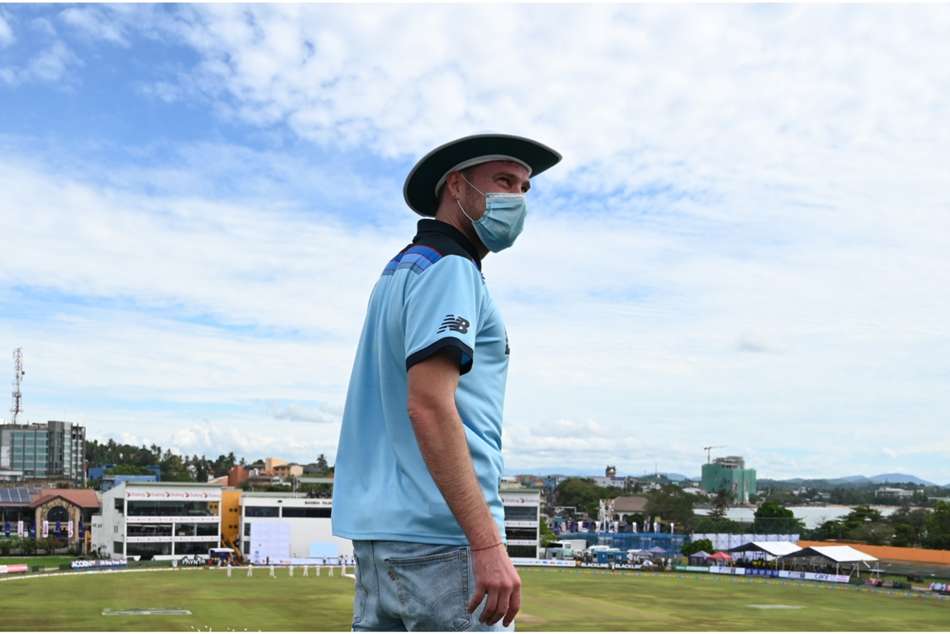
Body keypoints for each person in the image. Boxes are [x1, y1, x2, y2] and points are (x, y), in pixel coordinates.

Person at [332, 134, 561, 631]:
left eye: (524, 187)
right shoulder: (451, 270)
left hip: (380, 541)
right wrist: (486, 542)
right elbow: (429, 406)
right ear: (455, 186)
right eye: (503, 181)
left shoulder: (400, 271)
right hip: (443, 541)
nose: (517, 199)